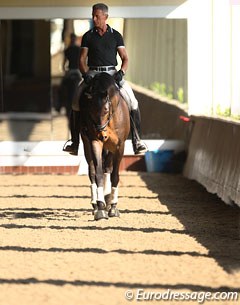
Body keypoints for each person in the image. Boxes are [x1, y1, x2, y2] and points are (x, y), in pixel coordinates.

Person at [63, 3, 147, 155]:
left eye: (97, 16)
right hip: (93, 73)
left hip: (112, 73)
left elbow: (125, 58)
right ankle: (74, 142)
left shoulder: (116, 36)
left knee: (133, 102)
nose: (94, 19)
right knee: (75, 101)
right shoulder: (88, 36)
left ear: (105, 17)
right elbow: (81, 60)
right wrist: (85, 74)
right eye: (93, 16)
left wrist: (121, 71)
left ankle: (137, 140)